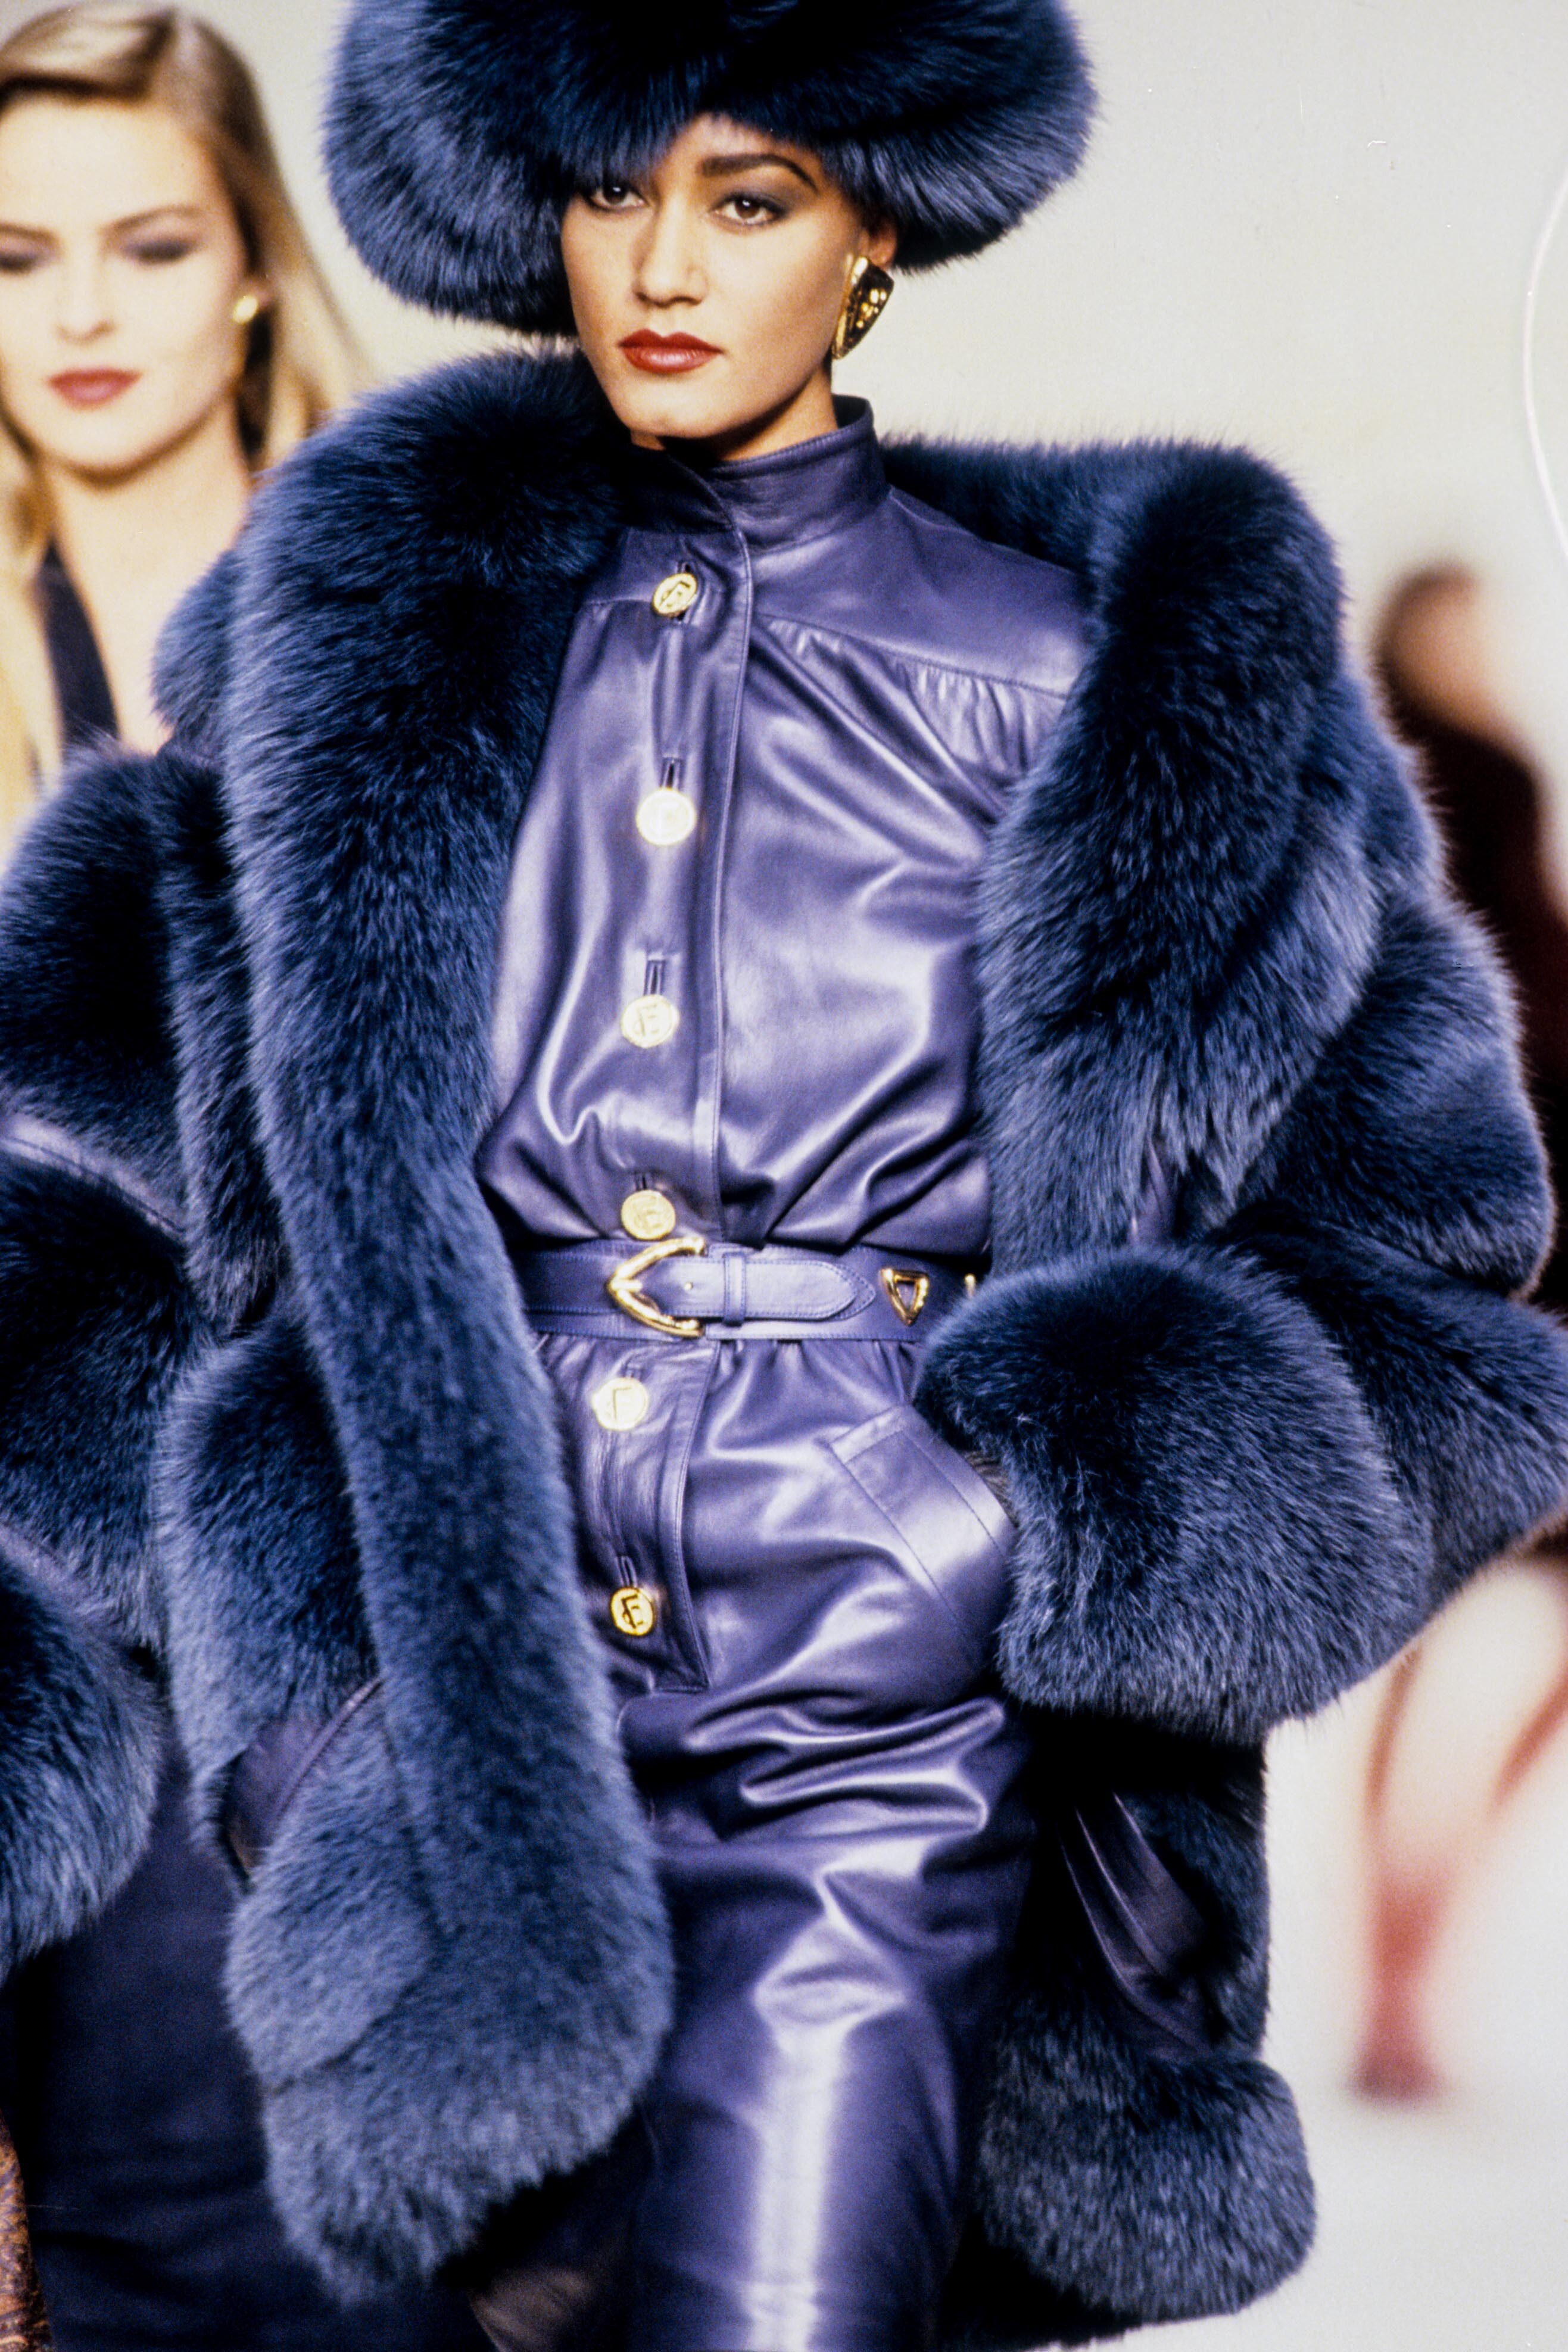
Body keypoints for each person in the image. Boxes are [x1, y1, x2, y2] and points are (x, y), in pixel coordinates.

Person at [0, 3, 1565, 2348]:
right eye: (610, 189)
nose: (661, 264)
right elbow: (115, 1227)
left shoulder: (1110, 669)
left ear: (871, 233)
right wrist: (299, 1723)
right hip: (455, 1758)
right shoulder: (364, 640)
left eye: (746, 198)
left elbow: (1426, 1276)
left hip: (870, 1742)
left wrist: (1010, 1525)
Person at [0, 8, 484, 2348]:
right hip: (19, 1616)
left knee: (278, 2263)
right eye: (17, 258)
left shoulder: (420, 633)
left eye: (150, 243)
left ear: (257, 265)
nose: (83, 313)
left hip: (317, 1613)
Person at [1355, 566, 1568, 2101]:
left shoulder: (1455, 792)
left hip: (1509, 1248)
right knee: (1430, 1625)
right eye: (1462, 622)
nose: (1484, 651)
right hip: (1504, 1254)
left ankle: (1405, 1960)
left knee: (1433, 1627)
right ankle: (1396, 1968)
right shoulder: (1450, 785)